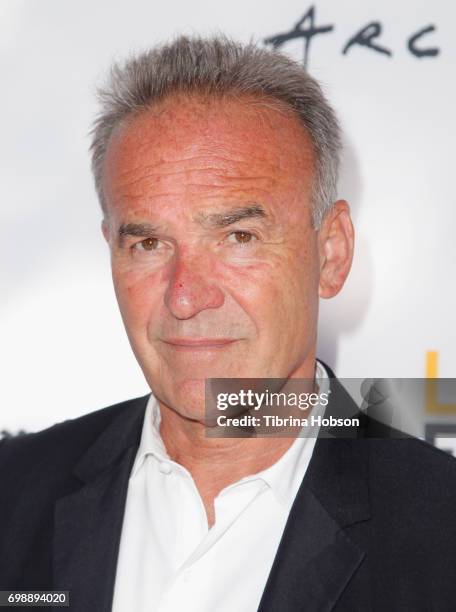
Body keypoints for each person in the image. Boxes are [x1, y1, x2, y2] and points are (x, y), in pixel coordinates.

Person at [1, 35, 456, 612]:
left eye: (238, 238)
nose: (186, 295)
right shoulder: (11, 496)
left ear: (332, 253)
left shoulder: (441, 533)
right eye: (148, 243)